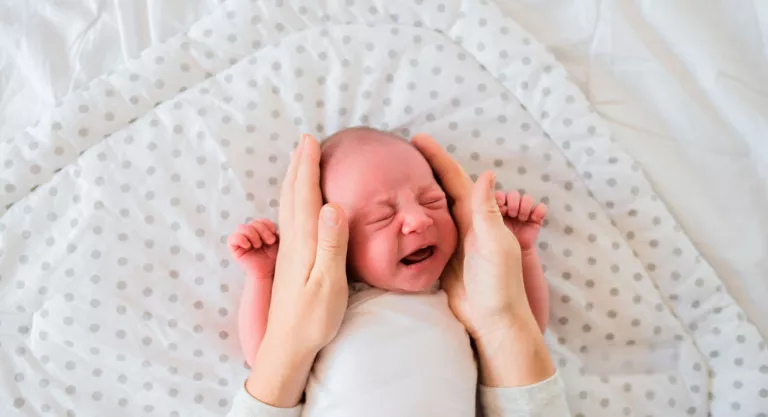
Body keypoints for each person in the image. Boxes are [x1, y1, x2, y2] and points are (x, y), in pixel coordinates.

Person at [225, 133, 571, 416]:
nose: (419, 220)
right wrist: (264, 277)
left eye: (433, 201)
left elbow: (526, 331)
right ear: (336, 242)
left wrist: (520, 253)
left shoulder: (455, 299)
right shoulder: (336, 305)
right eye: (381, 217)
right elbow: (265, 355)